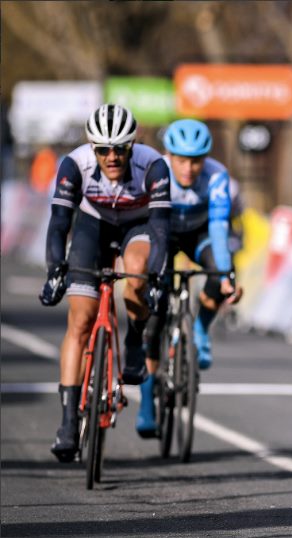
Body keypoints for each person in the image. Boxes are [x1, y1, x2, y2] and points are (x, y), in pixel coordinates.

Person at [39, 104, 170, 461]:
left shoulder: (153, 164)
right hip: (92, 227)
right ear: (91, 146)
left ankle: (134, 340)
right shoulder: (74, 164)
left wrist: (155, 277)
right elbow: (59, 223)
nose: (112, 157)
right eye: (103, 149)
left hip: (137, 225)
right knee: (80, 319)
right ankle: (67, 422)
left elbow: (160, 229)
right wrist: (55, 269)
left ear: (133, 144)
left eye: (120, 149)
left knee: (138, 270)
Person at [137, 119, 243, 437]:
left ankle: (199, 329)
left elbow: (219, 228)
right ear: (169, 155)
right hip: (163, 234)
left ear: (205, 158)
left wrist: (225, 276)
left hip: (200, 235)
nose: (188, 168)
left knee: (220, 271)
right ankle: (145, 401)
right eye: (181, 160)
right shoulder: (156, 172)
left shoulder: (217, 176)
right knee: (154, 319)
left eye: (196, 160)